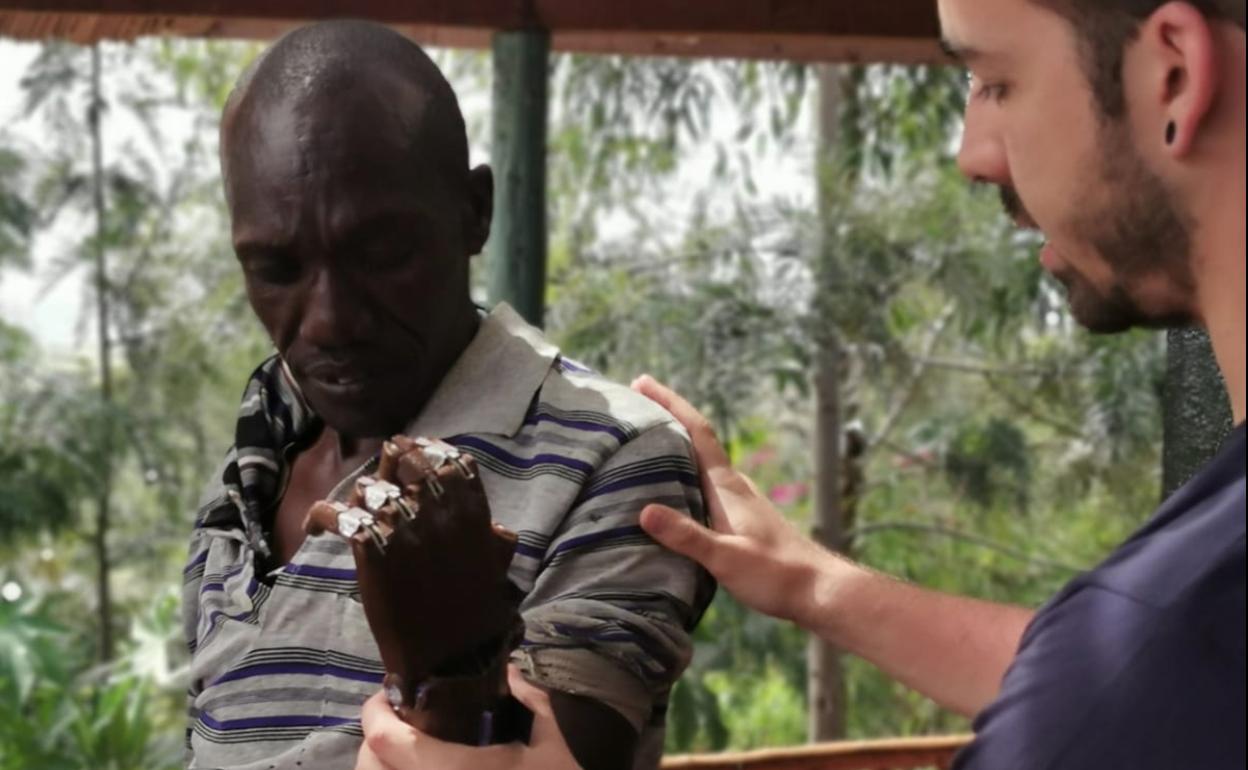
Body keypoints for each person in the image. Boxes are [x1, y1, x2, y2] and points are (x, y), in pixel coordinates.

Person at [356, 0, 1245, 768]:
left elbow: (1134, 677)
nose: (973, 152)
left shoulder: (1175, 630)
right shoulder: (1178, 641)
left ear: (1171, 74)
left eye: (995, 81)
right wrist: (812, 584)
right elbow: (1113, 669)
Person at [183, 20, 714, 770]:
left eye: (382, 252)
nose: (330, 320)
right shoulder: (254, 459)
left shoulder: (616, 459)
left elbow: (566, 760)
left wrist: (454, 664)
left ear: (474, 213)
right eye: (276, 267)